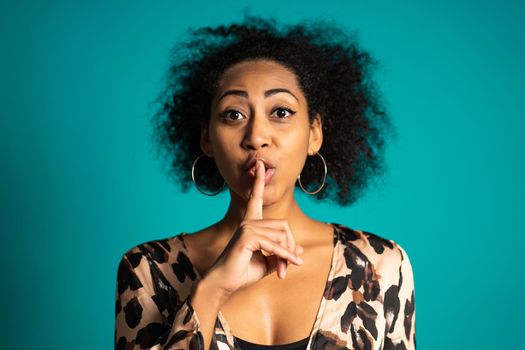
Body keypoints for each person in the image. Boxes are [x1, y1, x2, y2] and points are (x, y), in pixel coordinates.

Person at [114, 14, 416, 350]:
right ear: (206, 139)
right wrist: (212, 289)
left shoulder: (378, 266)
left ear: (314, 134)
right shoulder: (149, 269)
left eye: (281, 112)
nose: (256, 136)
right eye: (234, 114)